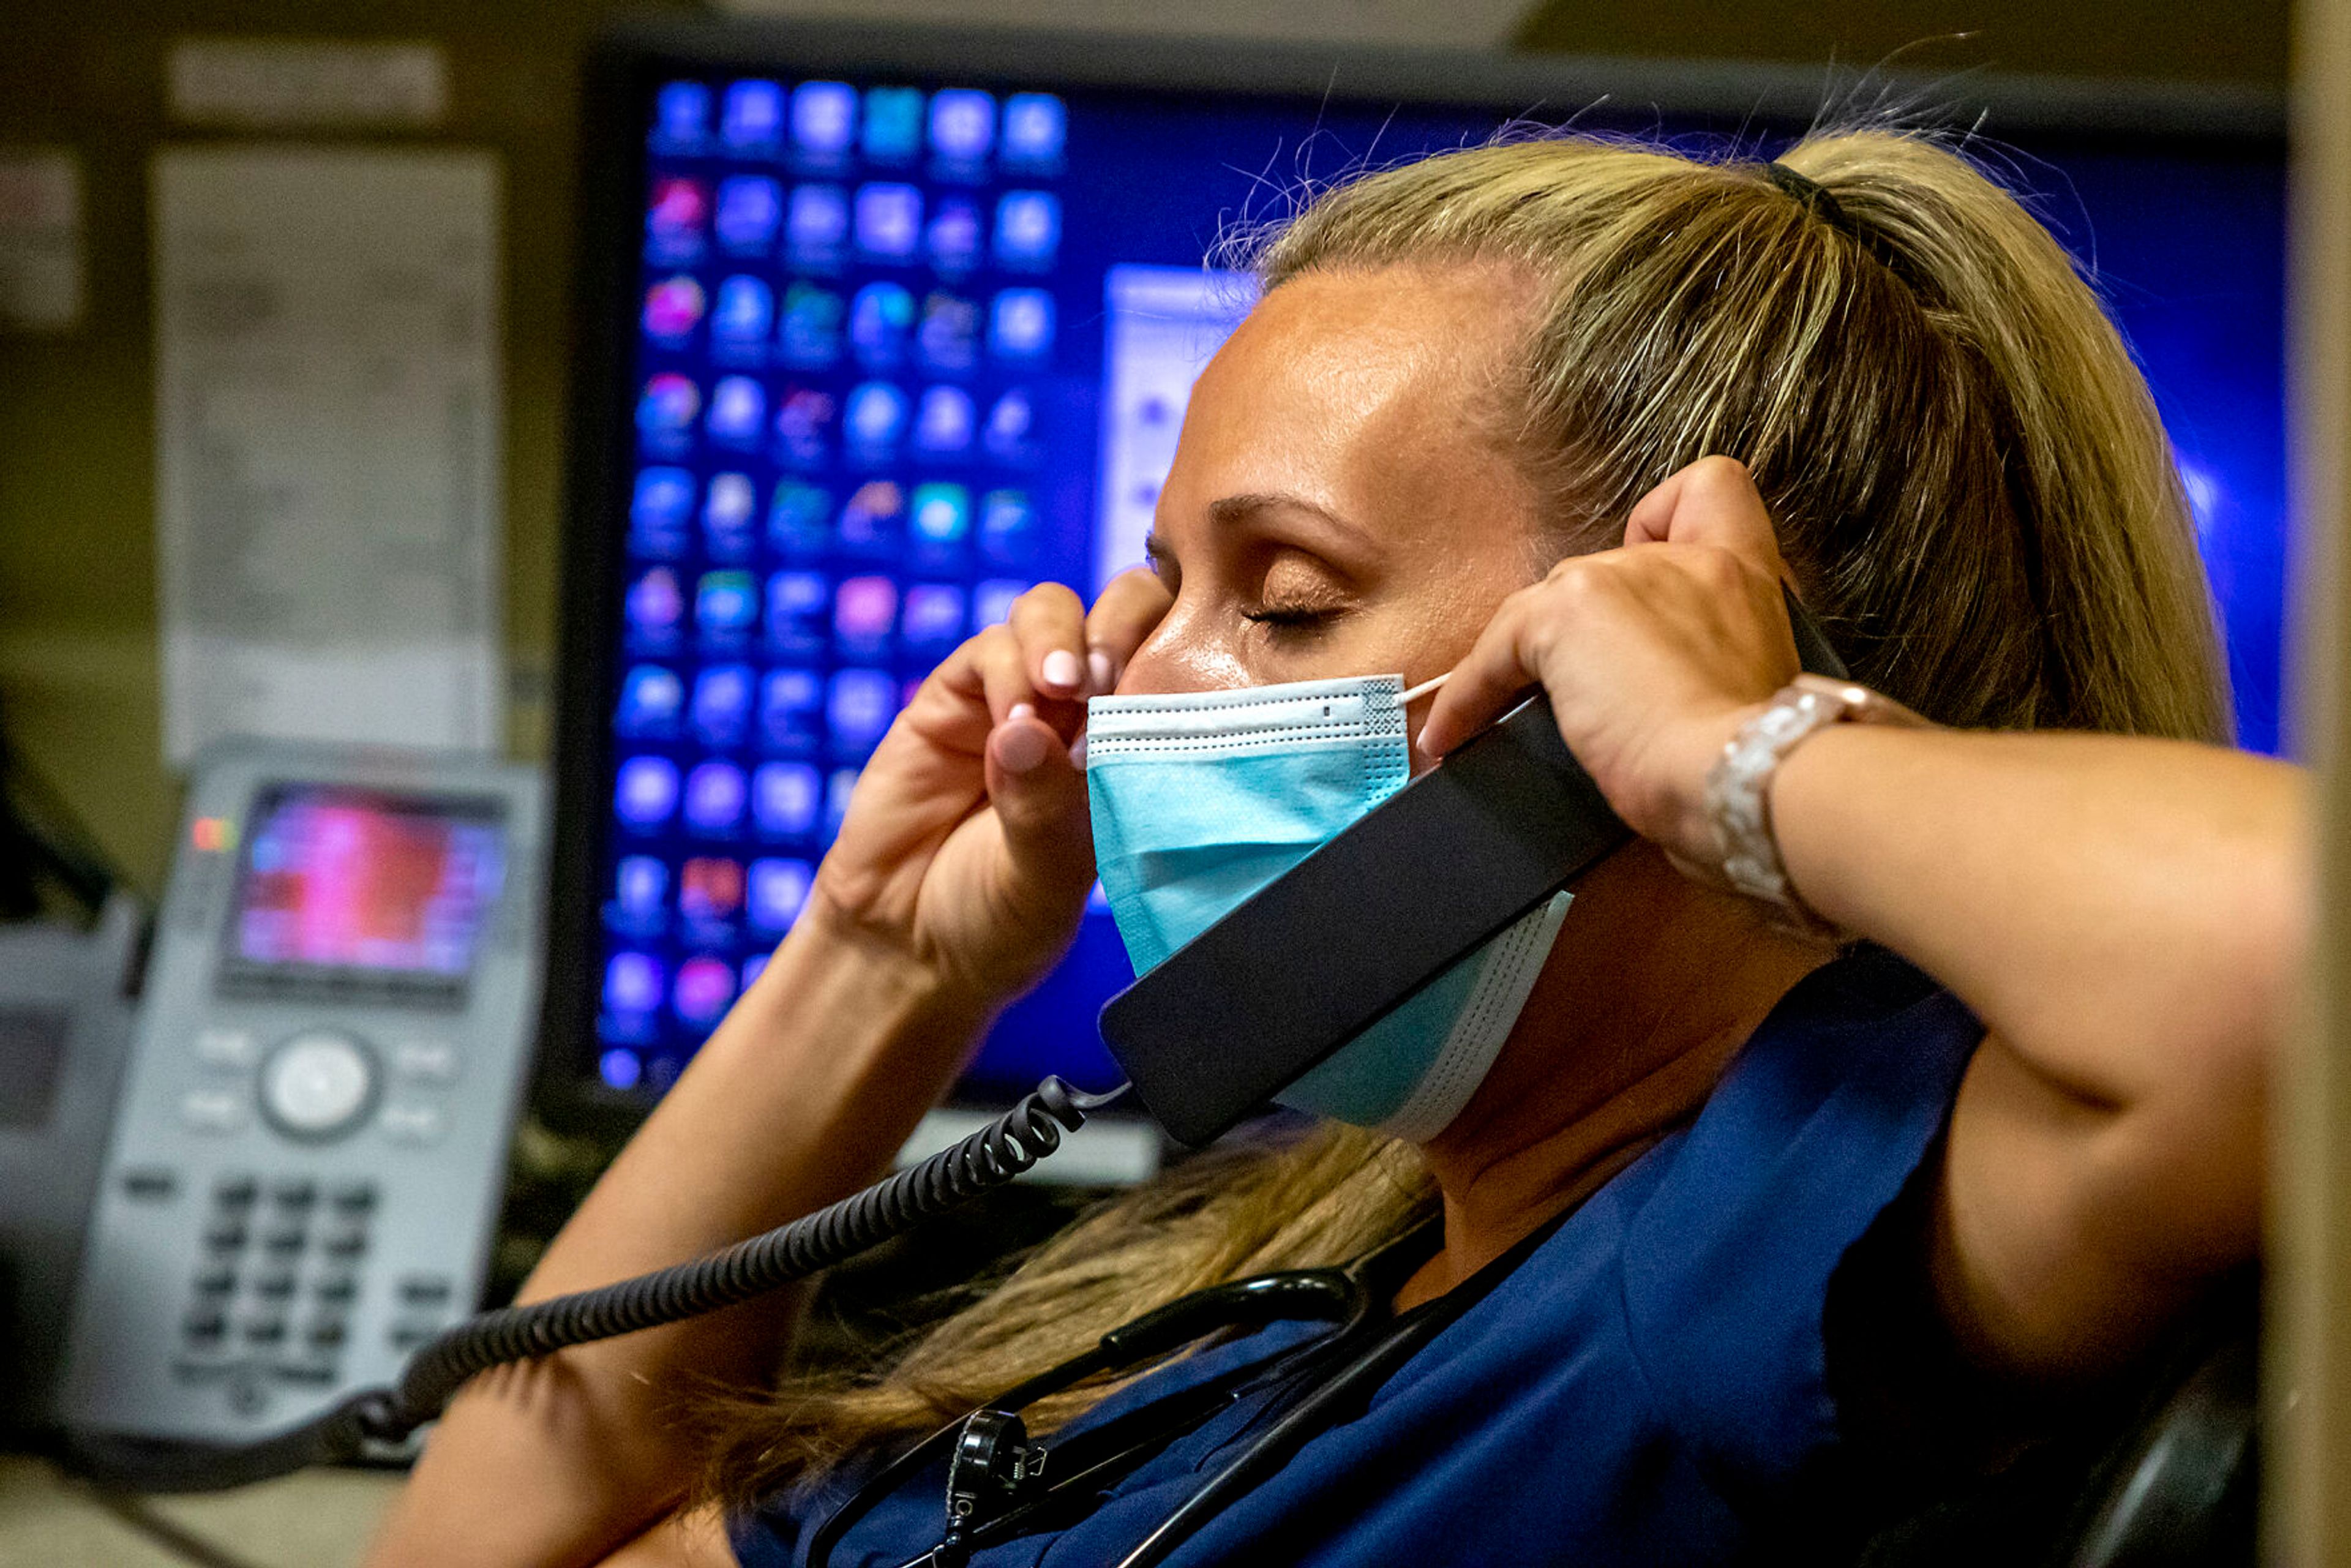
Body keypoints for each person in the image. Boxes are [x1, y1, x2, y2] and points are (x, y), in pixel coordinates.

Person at [366, 128, 2305, 1567]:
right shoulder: (1329, 1284)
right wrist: (882, 959)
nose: (1128, 690)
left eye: (1283, 602)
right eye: (1161, 585)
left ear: (1602, 693)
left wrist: (1742, 753)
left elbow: (2287, 971)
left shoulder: (1727, 1271)